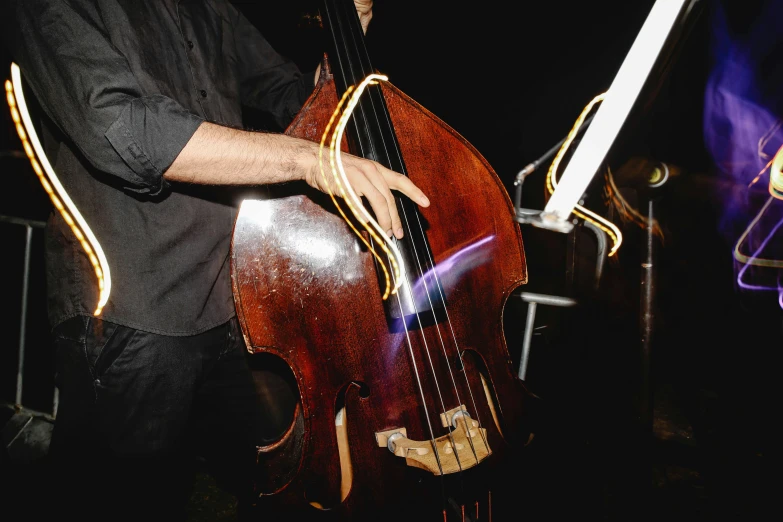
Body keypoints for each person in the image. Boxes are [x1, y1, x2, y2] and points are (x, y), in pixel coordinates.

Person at [4, 0, 430, 520]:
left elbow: (296, 97)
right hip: (136, 306)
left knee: (280, 474)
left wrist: (352, 24)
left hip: (236, 298)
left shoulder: (211, 8)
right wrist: (307, 162)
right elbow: (124, 128)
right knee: (121, 498)